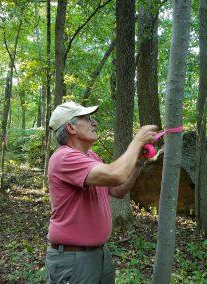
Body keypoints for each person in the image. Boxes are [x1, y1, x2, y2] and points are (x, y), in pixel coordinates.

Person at [45, 101, 157, 284]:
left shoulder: (91, 157)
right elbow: (116, 174)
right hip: (73, 260)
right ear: (70, 128)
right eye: (87, 119)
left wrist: (137, 162)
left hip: (99, 254)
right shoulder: (64, 157)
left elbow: (118, 189)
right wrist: (137, 142)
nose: (94, 123)